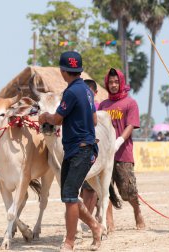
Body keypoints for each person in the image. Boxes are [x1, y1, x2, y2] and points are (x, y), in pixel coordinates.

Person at [38, 51, 102, 251]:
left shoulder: (71, 92)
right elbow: (94, 120)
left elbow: (57, 120)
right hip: (80, 148)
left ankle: (70, 242)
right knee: (69, 195)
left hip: (79, 150)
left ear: (62, 71)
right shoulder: (87, 91)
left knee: (69, 197)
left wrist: (44, 116)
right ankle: (95, 226)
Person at [98, 68, 145, 232]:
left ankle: (137, 211)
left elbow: (131, 125)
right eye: (110, 82)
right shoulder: (103, 105)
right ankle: (109, 221)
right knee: (105, 188)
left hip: (122, 152)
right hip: (104, 154)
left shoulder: (130, 103)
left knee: (127, 189)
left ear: (121, 82)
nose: (113, 85)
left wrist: (119, 140)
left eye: (116, 82)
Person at [80, 79, 99, 216]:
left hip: (93, 149)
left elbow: (95, 123)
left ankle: (89, 216)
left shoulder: (96, 107)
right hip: (79, 150)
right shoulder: (78, 106)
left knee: (91, 187)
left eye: (89, 93)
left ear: (95, 93)